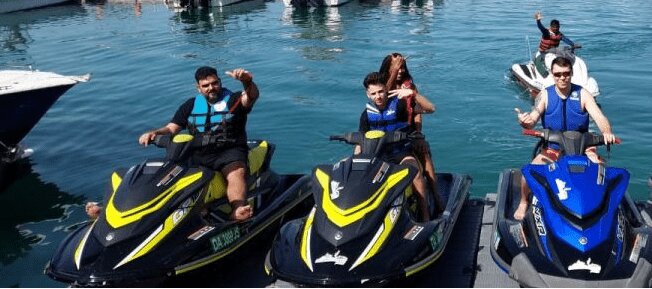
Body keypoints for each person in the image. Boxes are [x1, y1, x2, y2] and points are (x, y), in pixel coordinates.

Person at [87, 66, 259, 221]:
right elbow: (171, 129)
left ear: (220, 82)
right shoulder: (190, 105)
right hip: (197, 152)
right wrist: (154, 133)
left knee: (236, 173)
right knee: (165, 177)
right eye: (205, 86)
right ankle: (115, 211)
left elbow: (251, 97)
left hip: (229, 151)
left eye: (214, 83)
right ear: (198, 88)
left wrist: (247, 81)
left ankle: (237, 209)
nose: (211, 88)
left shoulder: (233, 99)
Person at [513, 56, 617, 220]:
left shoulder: (583, 94)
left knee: (602, 170)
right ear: (552, 75)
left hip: (583, 147)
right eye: (558, 74)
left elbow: (600, 117)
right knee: (529, 174)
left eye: (566, 73)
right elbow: (533, 118)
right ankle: (524, 201)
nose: (562, 78)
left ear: (571, 73)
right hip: (554, 148)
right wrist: (525, 122)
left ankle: (604, 208)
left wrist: (607, 132)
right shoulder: (545, 95)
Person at [357, 71, 435, 221]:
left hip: (401, 153)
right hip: (379, 157)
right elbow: (361, 140)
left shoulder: (400, 106)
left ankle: (425, 216)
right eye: (373, 93)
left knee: (415, 174)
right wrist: (356, 159)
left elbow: (430, 108)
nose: (378, 96)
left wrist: (412, 93)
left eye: (381, 92)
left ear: (386, 90)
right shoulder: (366, 115)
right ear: (368, 95)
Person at [378, 53, 444, 214]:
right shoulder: (380, 87)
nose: (399, 70)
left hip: (407, 135)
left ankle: (434, 198)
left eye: (402, 67)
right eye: (395, 67)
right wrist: (393, 73)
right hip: (385, 138)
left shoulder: (409, 87)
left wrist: (418, 134)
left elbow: (417, 112)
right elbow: (383, 100)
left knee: (424, 153)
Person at [533, 11, 577, 77]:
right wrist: (538, 20)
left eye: (557, 27)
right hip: (543, 52)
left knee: (565, 53)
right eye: (554, 27)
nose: (556, 28)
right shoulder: (546, 33)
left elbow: (565, 39)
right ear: (551, 26)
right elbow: (541, 27)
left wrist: (573, 44)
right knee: (539, 63)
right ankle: (544, 75)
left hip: (553, 52)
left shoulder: (559, 34)